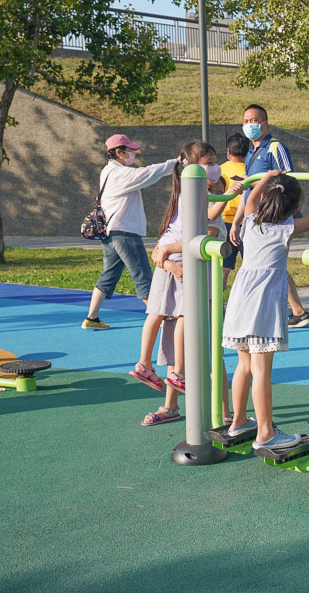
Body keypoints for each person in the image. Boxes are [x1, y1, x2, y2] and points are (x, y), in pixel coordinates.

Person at [221, 168, 309, 449]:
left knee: (244, 366)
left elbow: (250, 198)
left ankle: (238, 421)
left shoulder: (250, 219)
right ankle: (265, 433)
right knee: (261, 371)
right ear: (294, 208)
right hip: (263, 304)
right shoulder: (286, 228)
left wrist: (265, 177)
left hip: (240, 299)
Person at [129, 142, 228, 424]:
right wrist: (169, 259)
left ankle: (225, 411)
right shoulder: (187, 197)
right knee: (175, 339)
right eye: (208, 163)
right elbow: (166, 243)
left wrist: (166, 253)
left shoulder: (203, 202)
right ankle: (170, 402)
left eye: (215, 163)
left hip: (197, 277)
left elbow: (204, 230)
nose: (214, 168)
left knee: (208, 351)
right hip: (179, 272)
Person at [82, 135, 178, 330]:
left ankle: (92, 318)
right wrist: (174, 163)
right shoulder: (119, 174)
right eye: (130, 151)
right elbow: (147, 174)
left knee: (109, 275)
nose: (133, 155)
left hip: (111, 232)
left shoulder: (108, 172)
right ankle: (161, 319)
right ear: (119, 152)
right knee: (142, 275)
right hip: (125, 232)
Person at [231, 103, 309, 329]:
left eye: (254, 121)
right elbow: (248, 191)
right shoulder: (250, 151)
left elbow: (288, 181)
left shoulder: (275, 148)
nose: (250, 125)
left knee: (270, 263)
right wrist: (237, 221)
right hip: (257, 219)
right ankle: (297, 310)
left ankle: (295, 310)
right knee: (266, 263)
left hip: (275, 217)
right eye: (246, 121)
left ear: (265, 123)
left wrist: (261, 182)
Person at [213, 132, 250, 289]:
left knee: (224, 267)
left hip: (225, 222)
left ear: (228, 151)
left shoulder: (219, 170)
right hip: (246, 222)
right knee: (252, 264)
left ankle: (216, 304)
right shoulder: (251, 171)